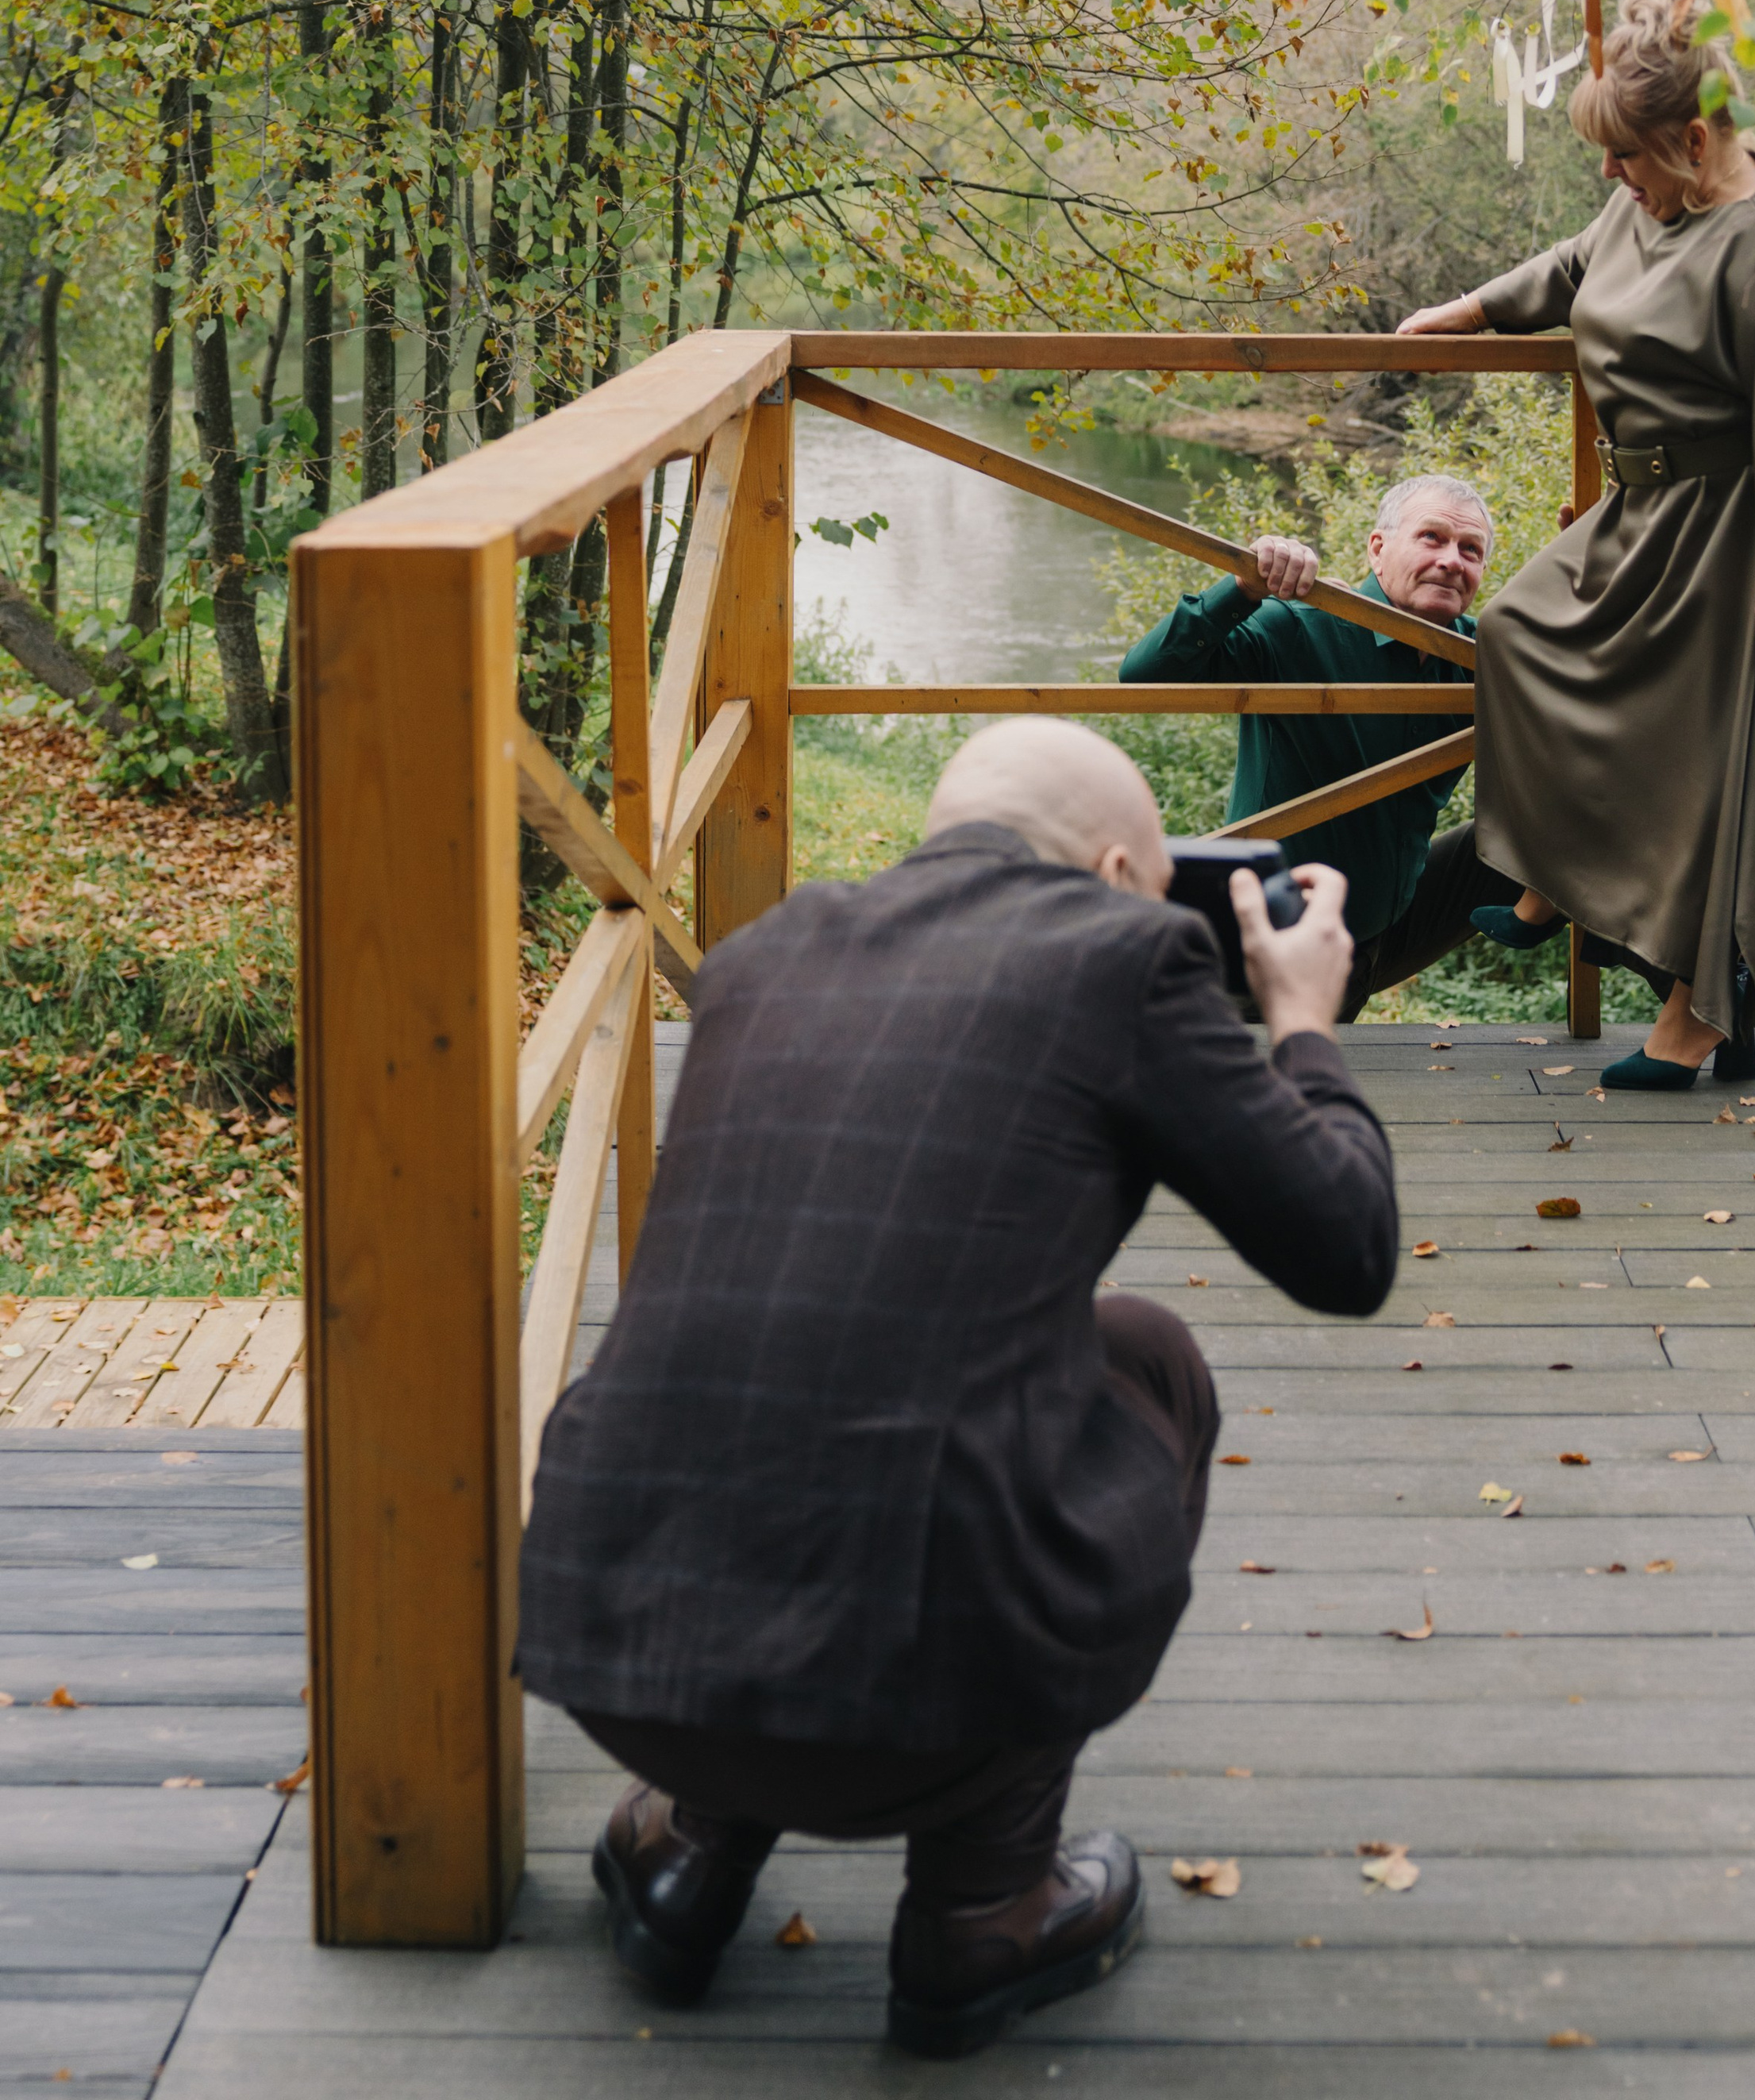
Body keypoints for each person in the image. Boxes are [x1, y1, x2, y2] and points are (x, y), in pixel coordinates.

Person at [517, 719, 1397, 2060]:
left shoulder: (761, 955)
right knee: (1148, 1351)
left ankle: (692, 1844)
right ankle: (985, 1907)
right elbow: (1347, 1247)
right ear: (1117, 867)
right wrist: (1301, 1018)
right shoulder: (1130, 952)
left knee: (821, 1359)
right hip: (907, 1713)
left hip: (612, 1636)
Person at [1398, 0, 1755, 1089]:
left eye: (1631, 157)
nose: (1611, 177)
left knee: (1705, 768)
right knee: (1516, 630)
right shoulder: (1650, 197)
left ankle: (1696, 1017)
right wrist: (1471, 308)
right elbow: (1574, 263)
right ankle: (1548, 873)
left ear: (1697, 140)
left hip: (1745, 521)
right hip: (1647, 507)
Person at [1118, 474, 1522, 1014]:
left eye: (1470, 550)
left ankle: (1675, 1013)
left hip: (1387, 926)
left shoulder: (1484, 654)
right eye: (1432, 538)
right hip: (1274, 937)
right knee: (1273, 1085)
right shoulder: (1301, 625)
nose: (1453, 560)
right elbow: (1146, 676)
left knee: (1548, 828)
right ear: (1378, 549)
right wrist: (1244, 586)